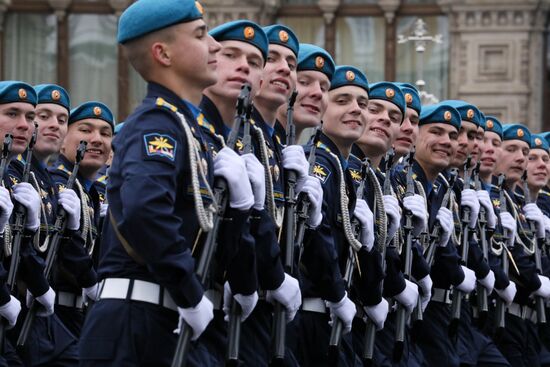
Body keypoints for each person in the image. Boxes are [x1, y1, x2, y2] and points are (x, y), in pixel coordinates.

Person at [78, 1, 253, 366]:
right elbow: (145, 212)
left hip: (168, 320)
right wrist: (189, 292)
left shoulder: (190, 132)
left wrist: (241, 208)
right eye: (201, 35)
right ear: (163, 53)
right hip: (135, 322)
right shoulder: (157, 125)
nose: (215, 47)